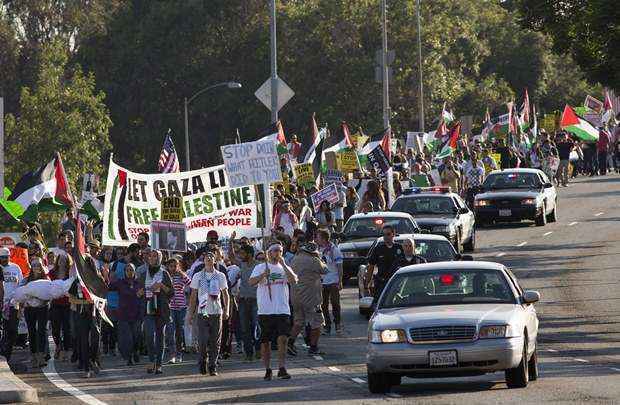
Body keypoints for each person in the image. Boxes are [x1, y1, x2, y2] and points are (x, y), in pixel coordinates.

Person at [249, 243, 298, 381]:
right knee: (265, 342)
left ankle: (282, 368)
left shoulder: (284, 267)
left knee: (283, 338)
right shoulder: (260, 267)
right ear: (269, 253)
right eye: (276, 250)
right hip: (266, 309)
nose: (278, 253)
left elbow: (294, 280)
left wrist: (284, 265)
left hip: (282, 309)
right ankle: (268, 369)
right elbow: (251, 282)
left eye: (281, 251)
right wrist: (263, 275)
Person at [187, 251, 230, 376]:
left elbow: (225, 294)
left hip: (216, 312)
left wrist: (226, 309)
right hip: (203, 312)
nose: (209, 258)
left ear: (215, 259)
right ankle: (202, 361)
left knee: (215, 341)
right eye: (207, 257)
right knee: (203, 339)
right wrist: (191, 313)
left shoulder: (220, 275)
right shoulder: (198, 276)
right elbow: (193, 296)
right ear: (203, 260)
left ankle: (213, 365)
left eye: (211, 256)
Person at [288, 242, 328, 355]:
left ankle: (290, 343)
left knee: (298, 321)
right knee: (318, 322)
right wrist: (320, 259)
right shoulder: (314, 260)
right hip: (310, 297)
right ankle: (314, 347)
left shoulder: (295, 259)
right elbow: (325, 270)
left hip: (295, 296)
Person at [140, 250, 173, 375]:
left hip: (161, 309)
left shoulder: (164, 273)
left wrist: (161, 286)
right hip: (148, 308)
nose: (152, 258)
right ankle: (151, 360)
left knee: (160, 336)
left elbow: (171, 293)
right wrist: (140, 293)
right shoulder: (144, 274)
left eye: (155, 256)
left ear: (160, 258)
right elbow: (138, 291)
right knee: (149, 334)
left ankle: (159, 364)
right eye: (151, 256)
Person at [230, 244, 260, 361]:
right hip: (243, 300)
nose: (240, 256)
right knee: (244, 327)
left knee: (256, 326)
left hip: (256, 300)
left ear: (249, 254)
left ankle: (258, 349)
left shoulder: (259, 266)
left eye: (243, 253)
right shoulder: (241, 264)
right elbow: (232, 257)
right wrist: (231, 241)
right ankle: (249, 353)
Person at [108, 263, 142, 366]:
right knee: (127, 338)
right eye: (127, 270)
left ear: (134, 271)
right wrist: (106, 276)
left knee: (136, 336)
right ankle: (129, 357)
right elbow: (108, 287)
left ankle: (136, 351)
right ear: (124, 272)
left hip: (136, 314)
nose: (129, 272)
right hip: (124, 315)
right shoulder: (120, 283)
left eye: (131, 270)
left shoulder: (139, 283)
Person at [364, 225, 403, 307]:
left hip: (397, 283)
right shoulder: (378, 249)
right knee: (379, 305)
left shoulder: (400, 248)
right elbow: (371, 266)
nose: (386, 237)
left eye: (388, 234)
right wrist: (367, 285)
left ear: (393, 234)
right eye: (384, 234)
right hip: (382, 282)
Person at [315, 229, 344, 336]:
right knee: (323, 305)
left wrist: (340, 280)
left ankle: (338, 325)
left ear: (323, 238)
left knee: (335, 303)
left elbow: (340, 266)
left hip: (333, 280)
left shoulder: (334, 250)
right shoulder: (317, 250)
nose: (316, 239)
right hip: (322, 281)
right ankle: (327, 325)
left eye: (317, 237)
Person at [22, 257, 50, 368]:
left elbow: (50, 293)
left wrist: (43, 300)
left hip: (43, 308)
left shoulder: (46, 279)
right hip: (29, 309)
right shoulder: (26, 280)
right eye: (33, 265)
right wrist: (26, 302)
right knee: (32, 331)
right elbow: (21, 294)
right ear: (31, 267)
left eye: (38, 265)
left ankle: (41, 356)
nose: (36, 267)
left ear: (42, 266)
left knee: (42, 330)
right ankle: (33, 355)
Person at [0, 247, 24, 361]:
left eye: (5, 257)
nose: (3, 260)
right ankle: (3, 353)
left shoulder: (16, 268)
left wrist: (20, 301)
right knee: (4, 330)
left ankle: (7, 353)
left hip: (14, 303)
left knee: (13, 330)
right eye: (1, 258)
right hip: (1, 304)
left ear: (9, 257)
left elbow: (21, 284)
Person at [49, 254, 73, 361]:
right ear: (57, 261)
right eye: (60, 260)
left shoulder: (70, 274)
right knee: (55, 329)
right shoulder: (52, 273)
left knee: (67, 328)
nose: (62, 262)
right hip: (55, 305)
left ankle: (66, 351)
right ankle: (58, 346)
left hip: (68, 305)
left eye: (65, 260)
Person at [166, 257, 191, 364]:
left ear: (178, 266)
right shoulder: (166, 276)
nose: (173, 268)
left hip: (181, 307)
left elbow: (191, 284)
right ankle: (172, 354)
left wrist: (182, 275)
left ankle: (179, 354)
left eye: (175, 266)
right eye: (171, 266)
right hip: (170, 306)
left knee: (180, 332)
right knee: (171, 331)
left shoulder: (182, 275)